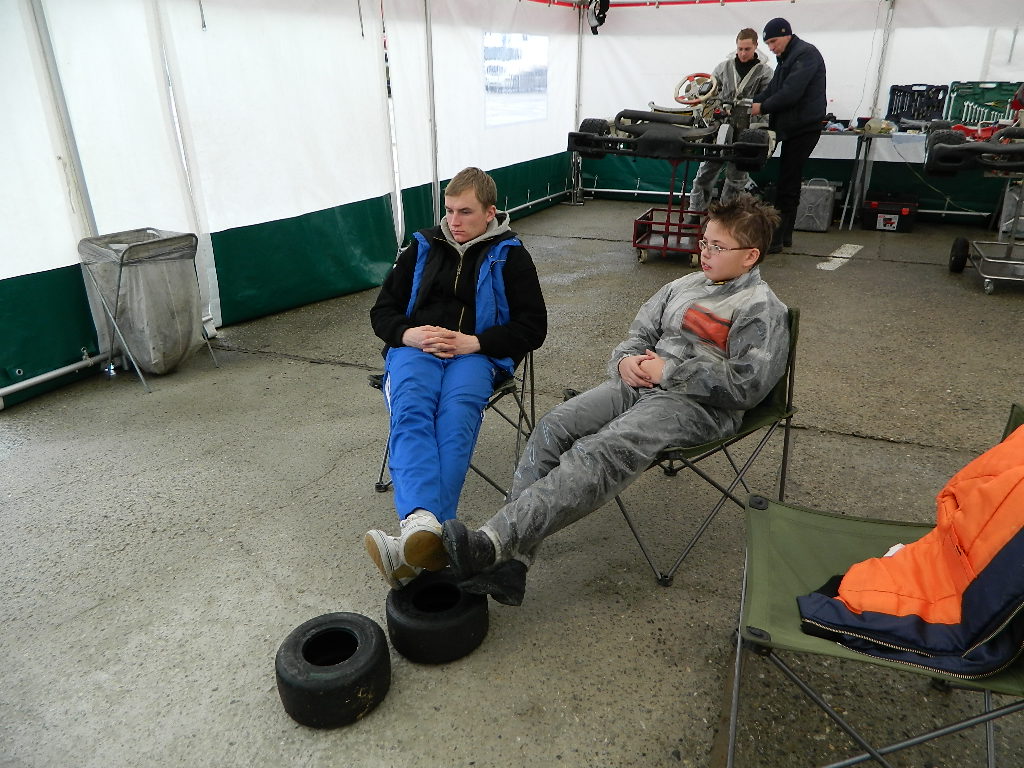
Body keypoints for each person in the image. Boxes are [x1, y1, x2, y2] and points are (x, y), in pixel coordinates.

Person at [442, 194, 790, 606]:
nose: (705, 252)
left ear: (750, 256)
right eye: (704, 242)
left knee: (602, 448)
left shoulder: (761, 308)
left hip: (698, 407)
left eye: (718, 246)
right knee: (554, 425)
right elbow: (638, 335)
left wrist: (670, 372)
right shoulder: (682, 286)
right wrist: (625, 361)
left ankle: (494, 541)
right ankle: (511, 564)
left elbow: (749, 386)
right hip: (639, 382)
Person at [365, 167, 547, 590]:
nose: (454, 221)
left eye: (465, 212)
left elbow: (533, 327)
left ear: (490, 212)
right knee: (412, 407)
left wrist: (476, 342)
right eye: (449, 211)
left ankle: (416, 534)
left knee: (456, 415)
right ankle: (426, 528)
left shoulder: (511, 255)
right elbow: (382, 311)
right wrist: (408, 334)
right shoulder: (422, 246)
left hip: (476, 354)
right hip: (417, 348)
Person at [750, 17, 826, 253]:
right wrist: (749, 103)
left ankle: (777, 238)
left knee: (788, 181)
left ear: (787, 34)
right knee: (787, 179)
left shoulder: (805, 54)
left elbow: (791, 93)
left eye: (773, 42)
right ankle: (784, 236)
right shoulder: (785, 59)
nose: (771, 48)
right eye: (768, 44)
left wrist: (761, 108)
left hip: (804, 127)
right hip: (791, 127)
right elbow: (774, 89)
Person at [688, 28, 774, 217]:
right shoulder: (722, 68)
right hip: (719, 129)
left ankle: (726, 218)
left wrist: (760, 126)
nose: (743, 53)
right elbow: (710, 94)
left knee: (736, 179)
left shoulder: (765, 72)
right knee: (705, 173)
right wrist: (714, 106)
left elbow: (767, 102)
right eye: (740, 49)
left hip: (747, 132)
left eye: (747, 49)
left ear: (756, 46)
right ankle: (695, 213)